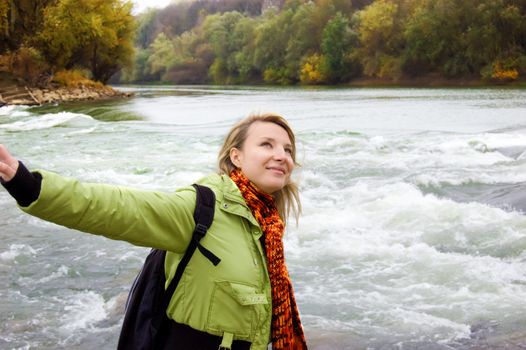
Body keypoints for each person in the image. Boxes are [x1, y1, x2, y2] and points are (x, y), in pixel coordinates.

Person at [0, 113, 308, 350]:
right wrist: (29, 186)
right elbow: (119, 209)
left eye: (287, 149)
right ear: (236, 156)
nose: (282, 155)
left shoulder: (266, 224)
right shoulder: (201, 207)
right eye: (266, 144)